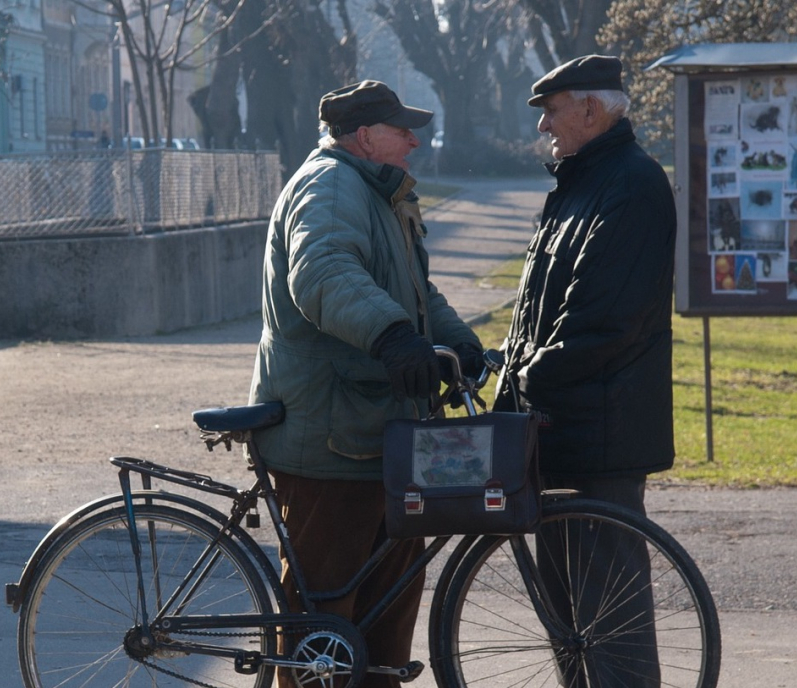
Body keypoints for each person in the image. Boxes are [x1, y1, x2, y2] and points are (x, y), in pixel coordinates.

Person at [248, 79, 483, 687]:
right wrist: (393, 338)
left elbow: (416, 291)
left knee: (389, 597)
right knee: (324, 609)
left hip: (378, 431)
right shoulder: (328, 187)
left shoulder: (379, 192)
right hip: (331, 436)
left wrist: (459, 343)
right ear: (363, 136)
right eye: (402, 129)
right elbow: (323, 273)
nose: (414, 139)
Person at [493, 55, 677, 685]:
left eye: (552, 109)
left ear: (592, 109)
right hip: (560, 430)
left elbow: (601, 320)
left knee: (608, 626)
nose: (544, 124)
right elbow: (537, 310)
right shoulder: (580, 182)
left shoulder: (631, 184)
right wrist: (509, 368)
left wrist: (526, 379)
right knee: (571, 627)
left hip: (600, 435)